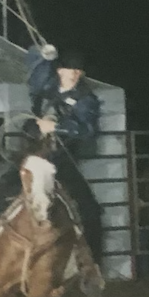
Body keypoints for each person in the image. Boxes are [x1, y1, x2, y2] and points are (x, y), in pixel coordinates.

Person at [27, 43, 105, 264]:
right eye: (71, 70)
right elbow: (34, 69)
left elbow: (88, 130)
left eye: (78, 71)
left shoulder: (86, 98)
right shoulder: (46, 86)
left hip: (61, 157)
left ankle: (92, 267)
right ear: (60, 70)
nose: (75, 74)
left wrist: (57, 127)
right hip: (32, 153)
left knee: (89, 210)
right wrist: (45, 56)